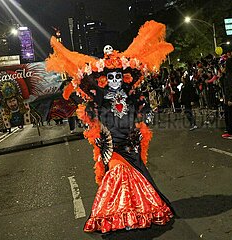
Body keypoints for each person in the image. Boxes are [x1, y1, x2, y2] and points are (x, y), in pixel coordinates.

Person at [46, 20, 174, 233]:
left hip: (130, 143)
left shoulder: (132, 96)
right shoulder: (100, 97)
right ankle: (117, 215)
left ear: (122, 78)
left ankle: (137, 212)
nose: (114, 80)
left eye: (117, 76)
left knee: (136, 178)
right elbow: (88, 107)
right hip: (112, 145)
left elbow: (140, 114)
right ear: (106, 79)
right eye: (110, 77)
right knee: (117, 177)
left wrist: (142, 119)